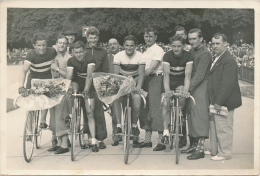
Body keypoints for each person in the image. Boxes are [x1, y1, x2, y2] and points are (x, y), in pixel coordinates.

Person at [208, 33, 242, 161]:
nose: (215, 46)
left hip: (224, 101)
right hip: (216, 99)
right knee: (216, 126)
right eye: (213, 44)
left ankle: (225, 153)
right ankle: (215, 150)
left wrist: (219, 102)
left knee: (224, 128)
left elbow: (227, 84)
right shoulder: (218, 57)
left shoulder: (228, 60)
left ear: (225, 44)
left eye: (218, 43)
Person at [18, 33, 57, 142]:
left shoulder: (52, 51)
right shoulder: (31, 55)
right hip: (33, 80)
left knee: (46, 100)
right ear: (34, 45)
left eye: (44, 45)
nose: (41, 48)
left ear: (46, 45)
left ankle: (43, 121)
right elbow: (24, 71)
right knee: (30, 105)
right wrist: (21, 86)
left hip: (47, 80)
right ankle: (29, 132)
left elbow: (61, 49)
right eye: (39, 45)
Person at [182, 28, 212, 160]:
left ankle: (200, 149)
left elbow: (199, 75)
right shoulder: (191, 51)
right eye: (190, 39)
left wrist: (187, 88)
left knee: (199, 116)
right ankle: (193, 144)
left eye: (194, 38)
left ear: (201, 39)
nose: (192, 41)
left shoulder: (205, 53)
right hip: (192, 85)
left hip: (200, 86)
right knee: (191, 114)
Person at [66, 41, 101, 152]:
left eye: (81, 52)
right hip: (77, 83)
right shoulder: (70, 60)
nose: (79, 54)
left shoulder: (90, 58)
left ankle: (94, 140)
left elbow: (89, 76)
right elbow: (69, 77)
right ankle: (71, 115)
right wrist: (68, 88)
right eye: (76, 52)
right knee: (72, 89)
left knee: (90, 112)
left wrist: (86, 90)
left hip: (89, 84)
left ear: (84, 51)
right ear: (73, 53)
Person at [134, 27, 165, 151]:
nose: (148, 38)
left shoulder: (158, 50)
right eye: (146, 36)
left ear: (156, 37)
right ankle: (147, 140)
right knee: (145, 109)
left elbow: (151, 68)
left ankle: (161, 141)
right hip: (145, 80)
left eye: (150, 36)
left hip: (155, 80)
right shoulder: (145, 51)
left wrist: (136, 79)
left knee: (155, 109)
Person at [161, 35, 193, 149]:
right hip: (169, 81)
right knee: (165, 103)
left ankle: (180, 117)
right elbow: (166, 75)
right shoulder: (167, 55)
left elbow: (188, 75)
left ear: (183, 46)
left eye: (179, 46)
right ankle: (165, 132)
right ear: (170, 46)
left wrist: (185, 90)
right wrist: (167, 91)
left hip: (180, 81)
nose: (176, 49)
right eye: (173, 46)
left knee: (182, 99)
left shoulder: (188, 56)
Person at [113, 35, 145, 143]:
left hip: (135, 81)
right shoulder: (118, 56)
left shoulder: (140, 56)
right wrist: (119, 88)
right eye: (126, 45)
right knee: (116, 97)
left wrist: (139, 87)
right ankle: (118, 125)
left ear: (135, 46)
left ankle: (134, 125)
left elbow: (141, 74)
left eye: (132, 46)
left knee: (137, 100)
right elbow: (116, 74)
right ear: (123, 45)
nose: (129, 48)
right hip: (122, 81)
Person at [47, 34, 72, 154]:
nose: (62, 45)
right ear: (56, 44)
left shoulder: (69, 58)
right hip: (54, 87)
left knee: (62, 114)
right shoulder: (54, 56)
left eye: (64, 43)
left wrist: (56, 69)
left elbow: (69, 76)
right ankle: (57, 141)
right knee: (53, 116)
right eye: (60, 42)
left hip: (65, 87)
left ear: (67, 45)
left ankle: (64, 144)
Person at [85, 26, 108, 150]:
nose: (92, 40)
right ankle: (88, 137)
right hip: (85, 82)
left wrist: (102, 86)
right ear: (87, 38)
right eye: (90, 38)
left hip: (98, 82)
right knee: (87, 111)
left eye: (94, 37)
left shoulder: (103, 51)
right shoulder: (83, 50)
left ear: (98, 38)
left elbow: (105, 70)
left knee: (98, 112)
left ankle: (101, 138)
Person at [106, 38, 122, 146]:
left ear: (119, 45)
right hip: (112, 86)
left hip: (124, 85)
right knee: (114, 112)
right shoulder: (107, 58)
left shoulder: (123, 55)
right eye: (110, 44)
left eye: (114, 44)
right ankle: (116, 136)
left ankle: (132, 135)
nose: (112, 46)